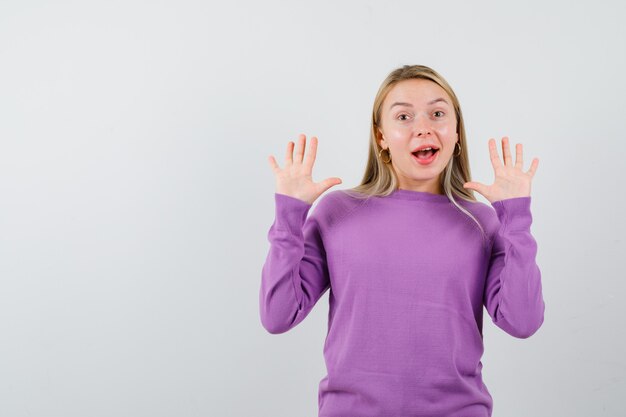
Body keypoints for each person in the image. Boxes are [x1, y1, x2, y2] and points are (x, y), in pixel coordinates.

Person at [259, 64, 545, 417]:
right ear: (381, 136)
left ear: (456, 132)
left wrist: (516, 218)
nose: (423, 127)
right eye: (404, 117)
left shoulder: (482, 221)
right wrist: (290, 214)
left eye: (438, 114)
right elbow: (278, 315)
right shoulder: (337, 212)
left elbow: (523, 321)